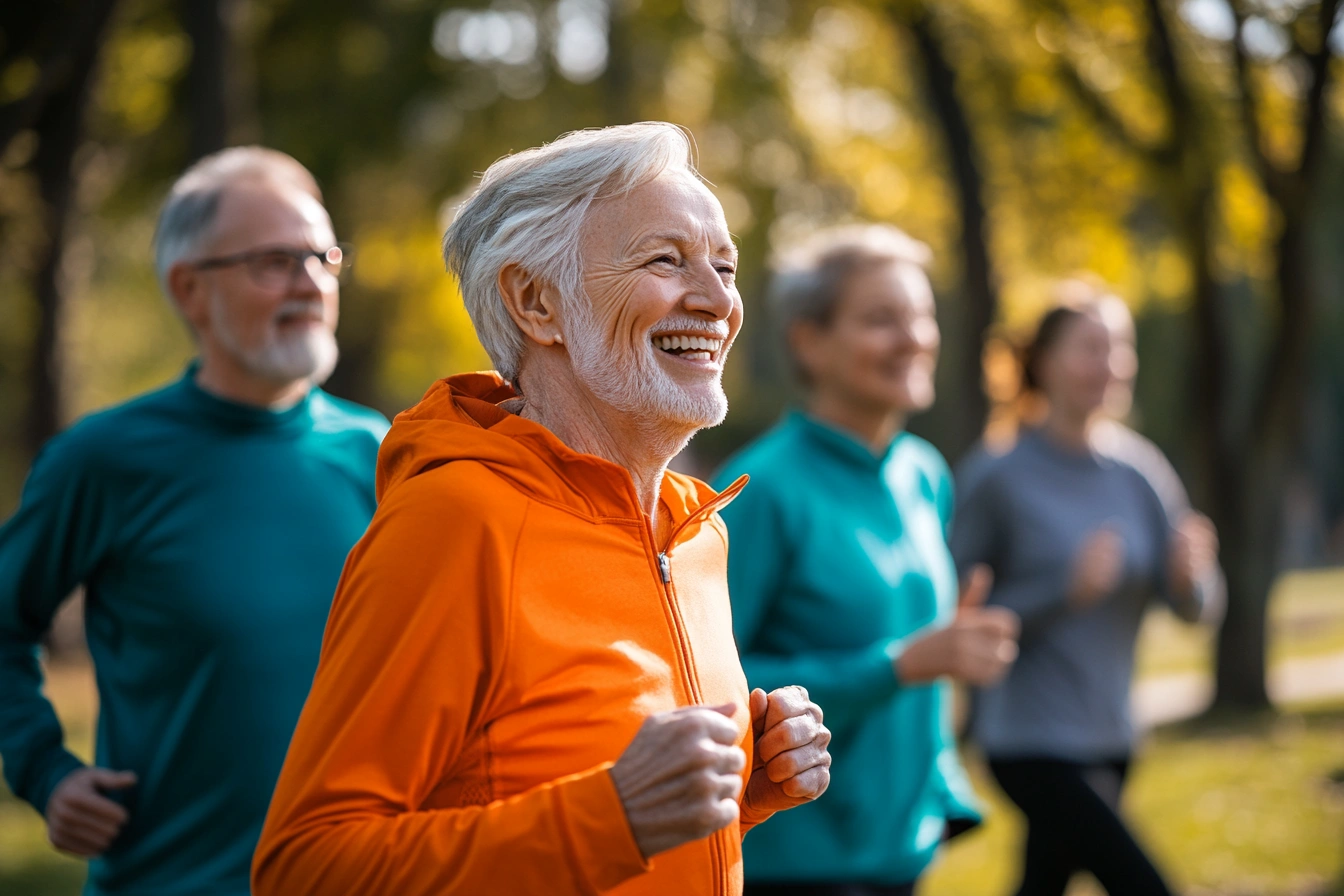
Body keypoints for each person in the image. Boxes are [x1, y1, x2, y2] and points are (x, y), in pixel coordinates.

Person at [251, 122, 832, 896]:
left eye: (725, 266)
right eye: (667, 260)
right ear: (536, 303)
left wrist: (734, 800)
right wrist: (613, 816)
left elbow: (576, 809)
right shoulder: (453, 522)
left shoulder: (698, 534)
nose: (719, 300)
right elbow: (307, 869)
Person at [0, 147, 389, 896]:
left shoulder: (380, 453)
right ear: (190, 289)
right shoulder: (104, 461)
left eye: (322, 256)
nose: (309, 283)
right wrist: (44, 769)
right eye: (274, 261)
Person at [713, 224, 1020, 896]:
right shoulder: (757, 491)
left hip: (904, 855)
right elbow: (711, 685)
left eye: (920, 315)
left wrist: (942, 786)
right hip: (799, 869)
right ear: (809, 340)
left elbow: (924, 673)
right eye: (882, 319)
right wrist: (899, 665)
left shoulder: (924, 473)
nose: (914, 338)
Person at [949, 292, 1225, 896]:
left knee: (1042, 884)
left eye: (1119, 349)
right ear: (1045, 362)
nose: (1110, 365)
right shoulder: (998, 475)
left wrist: (1190, 579)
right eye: (1091, 349)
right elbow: (953, 615)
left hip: (1114, 736)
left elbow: (1198, 607)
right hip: (1028, 741)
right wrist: (1060, 592)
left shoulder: (1140, 471)